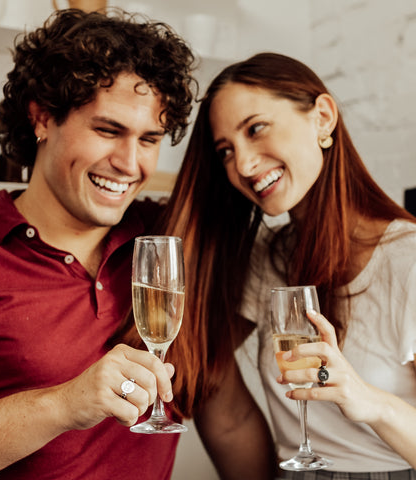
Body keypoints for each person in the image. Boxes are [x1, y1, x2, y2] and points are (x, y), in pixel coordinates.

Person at [0, 8, 276, 480]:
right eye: (108, 130)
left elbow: (233, 420)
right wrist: (63, 404)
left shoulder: (171, 244)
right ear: (42, 117)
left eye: (150, 138)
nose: (129, 163)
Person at [162, 51, 416, 478]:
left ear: (322, 117)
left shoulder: (407, 260)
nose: (242, 165)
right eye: (225, 151)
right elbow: (217, 391)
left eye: (256, 129)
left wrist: (366, 399)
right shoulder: (268, 258)